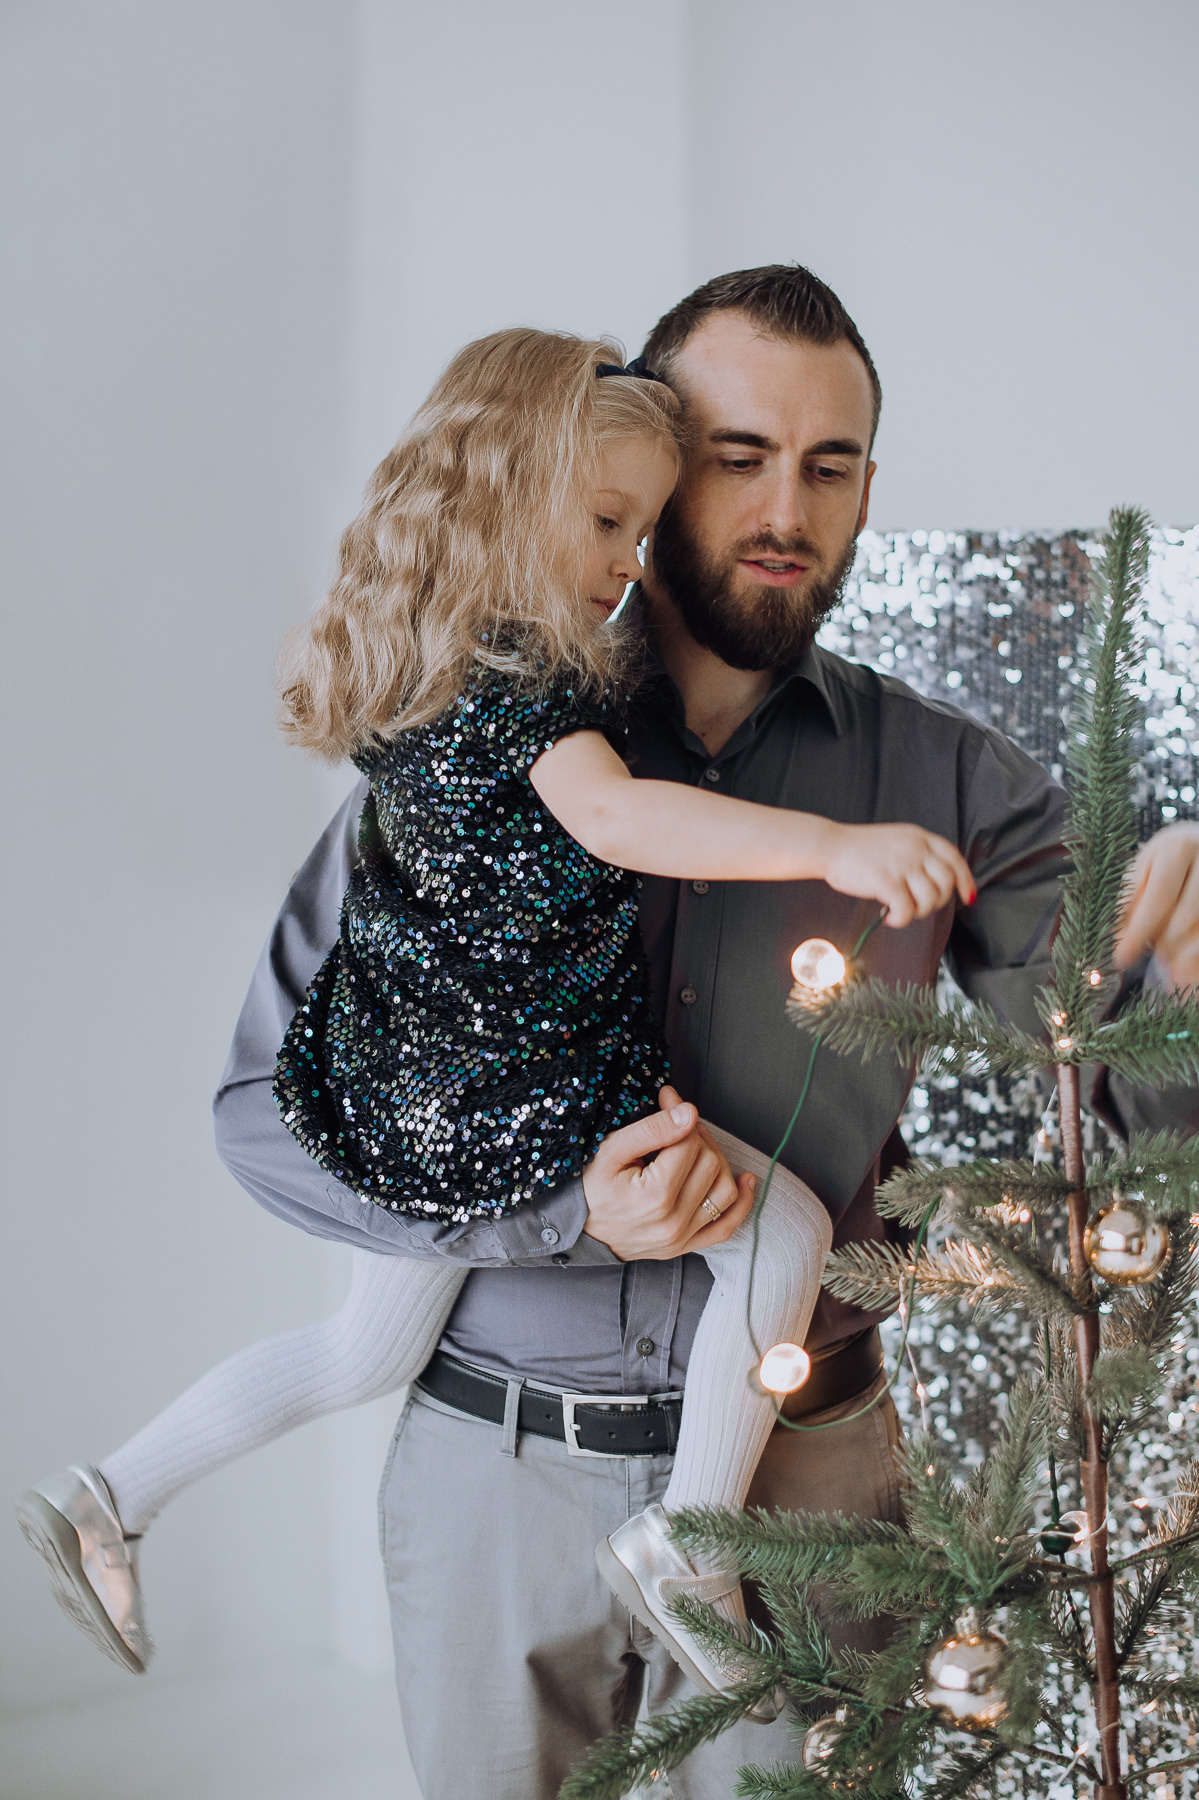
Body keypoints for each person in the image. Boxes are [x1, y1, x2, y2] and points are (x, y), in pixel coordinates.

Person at [15, 326, 973, 1713]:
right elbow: (622, 817)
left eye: (641, 531)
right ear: (508, 499)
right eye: (603, 523)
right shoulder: (524, 676)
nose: (626, 564)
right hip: (524, 1094)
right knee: (789, 1233)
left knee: (365, 1349)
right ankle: (689, 1542)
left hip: (421, 1090)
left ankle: (110, 1492)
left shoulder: (422, 666)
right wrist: (832, 846)